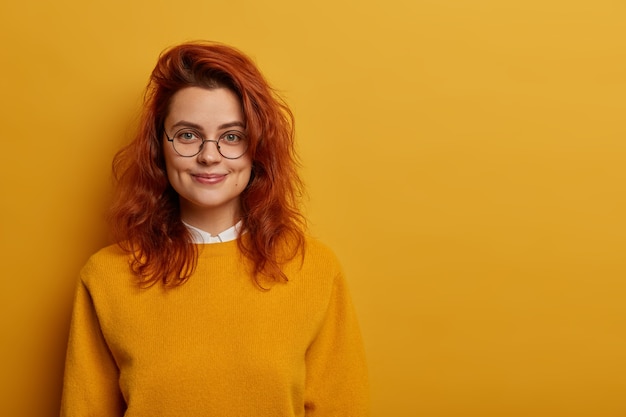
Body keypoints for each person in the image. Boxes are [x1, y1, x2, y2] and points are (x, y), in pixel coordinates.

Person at [60, 41, 369, 417]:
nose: (209, 155)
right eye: (188, 135)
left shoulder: (314, 269)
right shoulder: (106, 276)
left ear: (257, 149)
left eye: (232, 136)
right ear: (159, 146)